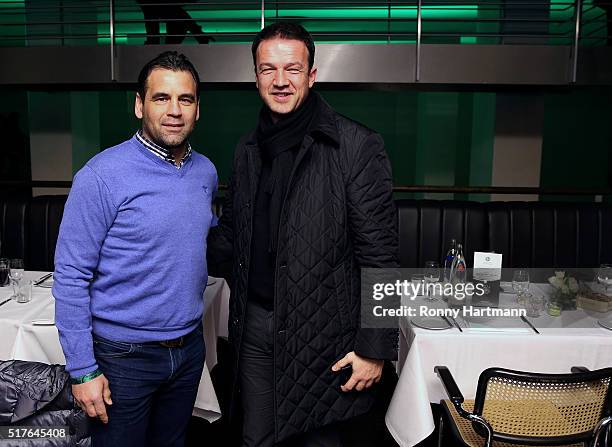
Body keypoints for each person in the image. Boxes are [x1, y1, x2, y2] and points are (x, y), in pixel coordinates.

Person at [208, 22, 399, 446]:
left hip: (326, 337)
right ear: (255, 76)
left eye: (292, 69)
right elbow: (233, 236)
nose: (280, 81)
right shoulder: (247, 150)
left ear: (311, 75)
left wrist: (375, 348)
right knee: (256, 439)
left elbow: (381, 258)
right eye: (267, 69)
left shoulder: (356, 146)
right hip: (255, 330)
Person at [52, 51, 217, 447]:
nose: (174, 110)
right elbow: (71, 275)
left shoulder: (205, 171)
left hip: (189, 349)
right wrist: (83, 371)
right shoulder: (100, 176)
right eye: (161, 98)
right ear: (140, 104)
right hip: (122, 358)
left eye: (185, 99)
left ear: (198, 109)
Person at [136, 0, 214, 44]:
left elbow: (151, 23)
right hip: (177, 23)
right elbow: (152, 23)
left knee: (171, 45)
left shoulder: (150, 7)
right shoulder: (151, 7)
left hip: (177, 23)